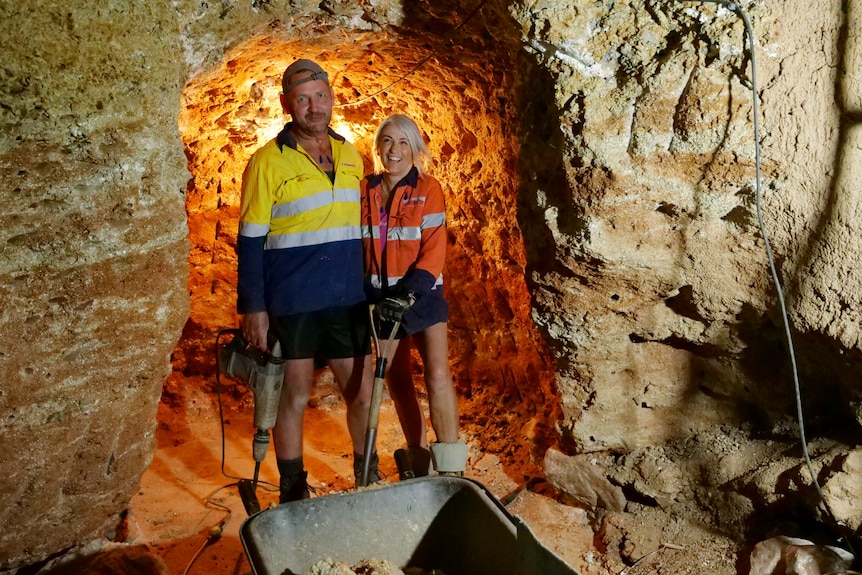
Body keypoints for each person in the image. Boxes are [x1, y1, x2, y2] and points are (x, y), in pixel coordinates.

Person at [236, 59, 377, 502]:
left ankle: (366, 476)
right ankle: (293, 486)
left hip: (347, 299)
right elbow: (250, 242)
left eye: (320, 96)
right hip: (293, 301)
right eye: (303, 99)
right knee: (292, 395)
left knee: (362, 392)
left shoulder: (352, 155)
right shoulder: (266, 162)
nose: (314, 107)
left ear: (332, 98)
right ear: (286, 104)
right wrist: (253, 308)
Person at [360, 114, 467, 476]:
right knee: (398, 379)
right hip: (379, 296)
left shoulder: (428, 188)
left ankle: (452, 468)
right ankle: (419, 461)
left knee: (437, 373)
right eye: (387, 141)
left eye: (403, 142)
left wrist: (407, 294)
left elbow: (435, 250)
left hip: (421, 294)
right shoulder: (365, 190)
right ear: (378, 147)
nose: (394, 150)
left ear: (415, 149)